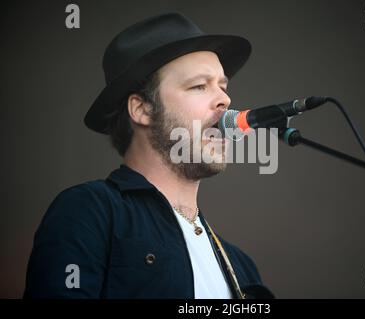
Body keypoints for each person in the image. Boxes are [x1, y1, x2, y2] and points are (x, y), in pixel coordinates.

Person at [24, 12, 273, 299]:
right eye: (198, 86)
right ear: (141, 109)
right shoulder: (90, 213)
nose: (225, 100)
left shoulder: (241, 268)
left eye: (222, 86)